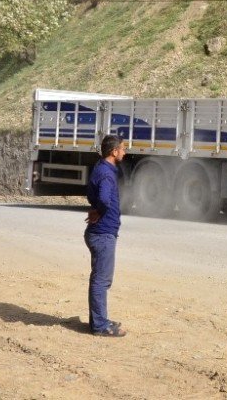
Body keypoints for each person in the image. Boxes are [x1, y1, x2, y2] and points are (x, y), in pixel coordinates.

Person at [85, 134, 127, 337]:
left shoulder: (101, 168)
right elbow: (103, 198)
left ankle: (98, 320)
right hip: (102, 233)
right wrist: (98, 212)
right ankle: (100, 325)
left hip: (100, 232)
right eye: (123, 148)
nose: (125, 152)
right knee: (102, 281)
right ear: (114, 151)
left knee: (99, 279)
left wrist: (96, 210)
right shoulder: (106, 174)